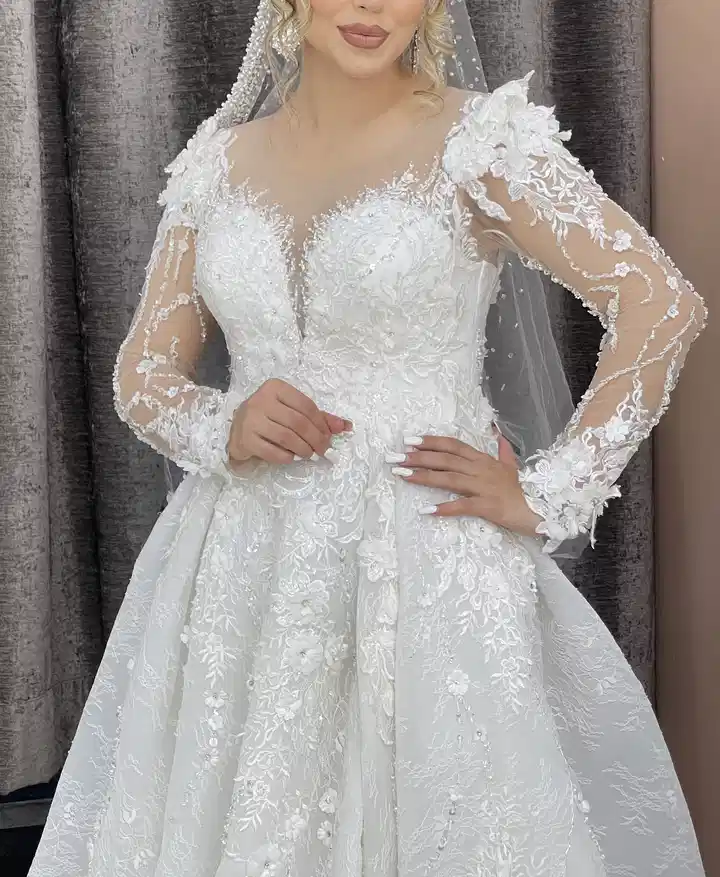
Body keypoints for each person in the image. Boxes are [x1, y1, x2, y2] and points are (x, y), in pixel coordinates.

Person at [29, 0, 707, 875]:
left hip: (420, 563)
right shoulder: (216, 164)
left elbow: (659, 304)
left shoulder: (480, 144)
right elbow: (142, 373)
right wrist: (224, 422)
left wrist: (549, 492)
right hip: (244, 567)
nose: (372, 5)